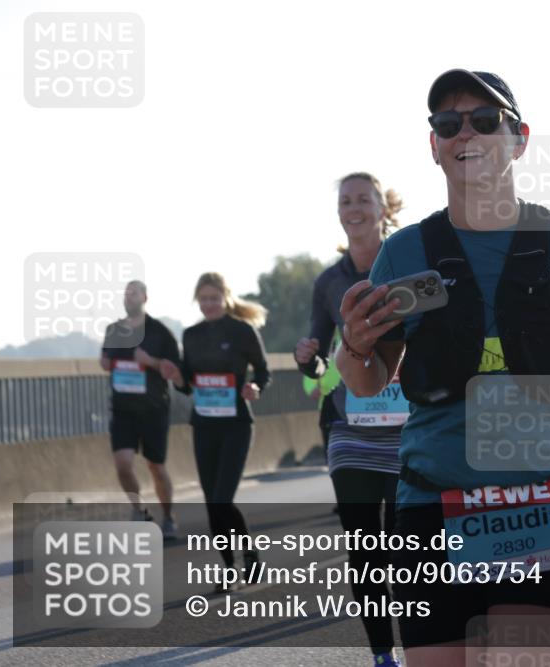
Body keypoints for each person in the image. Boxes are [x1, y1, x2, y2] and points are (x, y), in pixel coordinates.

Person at [335, 69, 550, 666]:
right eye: (448, 124)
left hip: (545, 504)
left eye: (483, 119)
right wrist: (354, 347)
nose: (464, 131)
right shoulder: (406, 253)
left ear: (519, 138)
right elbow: (370, 378)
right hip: (433, 509)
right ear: (434, 147)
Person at [294, 172, 406, 667]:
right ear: (339, 212)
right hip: (351, 429)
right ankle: (383, 655)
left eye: (364, 199)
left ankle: (425, 645)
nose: (354, 207)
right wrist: (306, 358)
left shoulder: (407, 262)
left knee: (411, 551)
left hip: (409, 430)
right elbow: (319, 364)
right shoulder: (328, 281)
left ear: (383, 208)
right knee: (365, 549)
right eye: (346, 200)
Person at [160, 272, 270, 591]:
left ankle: (248, 555)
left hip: (236, 425)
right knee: (212, 502)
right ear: (198, 300)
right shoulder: (191, 335)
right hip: (204, 425)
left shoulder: (242, 331)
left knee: (223, 499)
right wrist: (175, 377)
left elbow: (263, 371)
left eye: (214, 298)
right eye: (204, 299)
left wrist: (254, 387)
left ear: (225, 299)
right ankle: (230, 567)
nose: (209, 304)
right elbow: (187, 383)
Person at [100, 280, 181, 538]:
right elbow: (106, 360)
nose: (129, 297)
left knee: (156, 466)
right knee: (123, 464)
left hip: (154, 408)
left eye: (134, 293)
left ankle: (168, 517)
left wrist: (151, 361)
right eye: (126, 294)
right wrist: (105, 361)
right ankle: (139, 510)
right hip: (123, 409)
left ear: (145, 297)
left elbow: (174, 369)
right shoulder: (114, 329)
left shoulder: (160, 332)